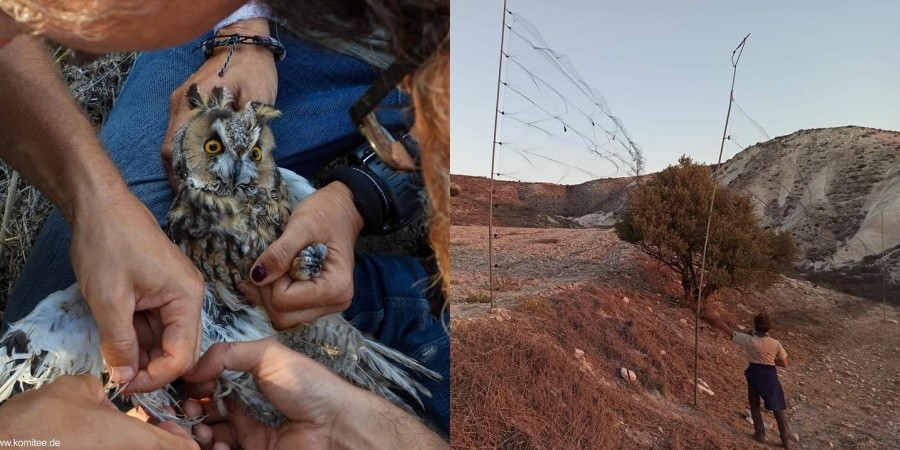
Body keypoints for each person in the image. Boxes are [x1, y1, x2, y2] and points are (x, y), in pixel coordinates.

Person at [0, 0, 449, 446]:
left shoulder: (467, 55)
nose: (81, 62)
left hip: (412, 59)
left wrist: (360, 195)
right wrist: (243, 28)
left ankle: (412, 301)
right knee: (75, 313)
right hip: (281, 29)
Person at [708, 310, 793, 449]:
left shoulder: (749, 340)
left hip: (754, 374)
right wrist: (771, 360)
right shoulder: (775, 343)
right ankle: (785, 440)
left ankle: (760, 434)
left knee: (754, 404)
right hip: (769, 375)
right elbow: (784, 364)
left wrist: (715, 318)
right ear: (769, 327)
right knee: (778, 406)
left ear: (755, 325)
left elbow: (729, 331)